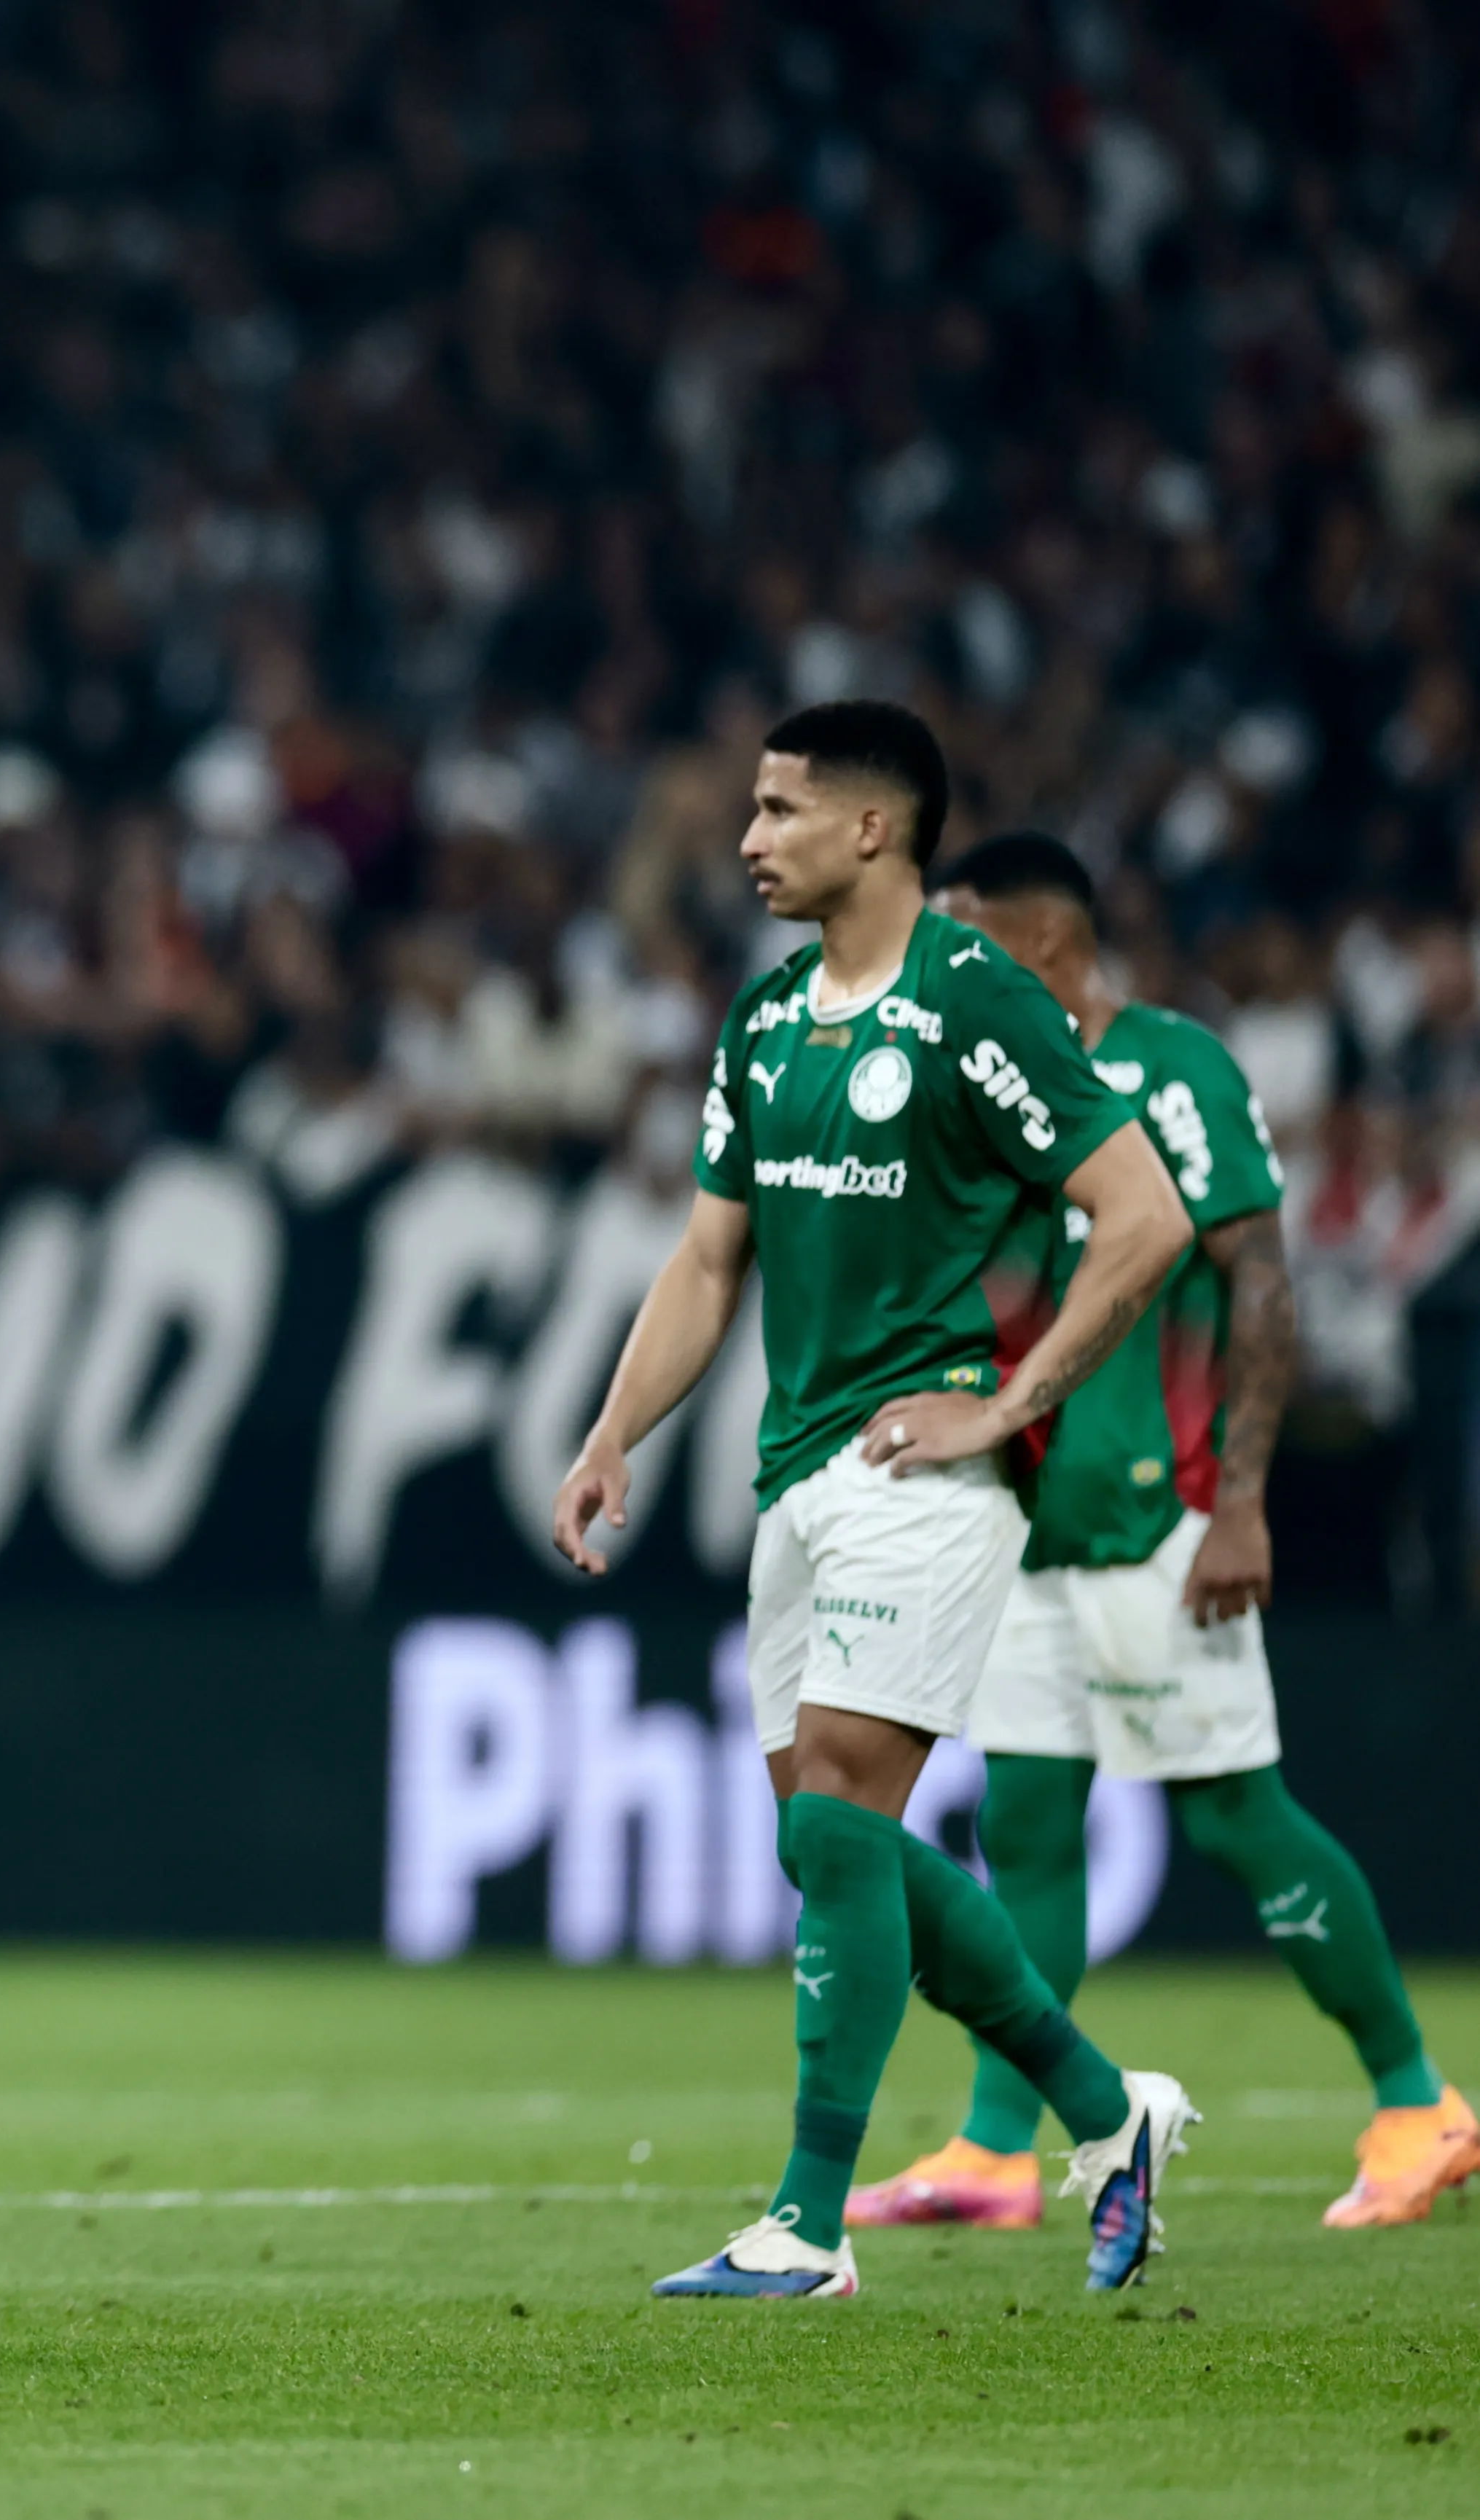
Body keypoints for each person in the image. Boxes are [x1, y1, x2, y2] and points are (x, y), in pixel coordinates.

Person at [549, 702, 1202, 2300]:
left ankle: (804, 2222)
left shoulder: (976, 1001)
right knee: (823, 1839)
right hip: (796, 1469)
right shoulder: (766, 1019)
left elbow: (1142, 1215)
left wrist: (1010, 1403)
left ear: (870, 828)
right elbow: (710, 1258)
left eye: (777, 809)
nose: (747, 838)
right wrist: (613, 1430)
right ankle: (1107, 2110)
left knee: (839, 1809)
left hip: (927, 1470)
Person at [847, 833, 1476, 2233]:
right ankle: (995, 2148)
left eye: (964, 938)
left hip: (1156, 1511)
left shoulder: (1172, 1070)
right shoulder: (989, 1088)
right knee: (1023, 1823)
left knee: (1234, 1812)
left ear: (1041, 945)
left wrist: (1240, 1497)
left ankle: (1416, 2099)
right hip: (1026, 1521)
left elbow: (1260, 1277)